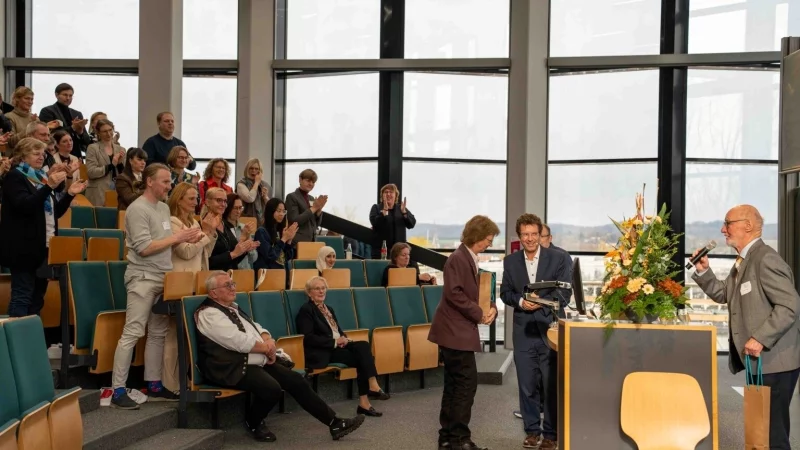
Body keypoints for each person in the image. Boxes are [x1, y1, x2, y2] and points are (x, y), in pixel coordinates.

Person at [195, 271, 366, 442]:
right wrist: (266, 349)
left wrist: (267, 340)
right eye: (228, 285)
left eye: (233, 284)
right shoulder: (208, 313)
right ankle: (254, 421)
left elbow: (255, 327)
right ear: (214, 293)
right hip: (228, 366)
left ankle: (334, 423)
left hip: (254, 359)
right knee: (272, 389)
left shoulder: (232, 307)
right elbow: (237, 341)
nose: (233, 288)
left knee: (297, 381)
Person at [692, 205, 800, 450]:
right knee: (761, 432)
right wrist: (704, 272)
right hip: (758, 360)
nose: (723, 229)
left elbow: (790, 305)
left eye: (727, 223)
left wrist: (760, 338)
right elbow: (724, 294)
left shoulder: (766, 259)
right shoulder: (744, 260)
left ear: (747, 226)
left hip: (776, 361)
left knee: (773, 436)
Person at [110, 163, 204, 409]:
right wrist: (178, 237)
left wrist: (185, 239)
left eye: (169, 181)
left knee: (158, 332)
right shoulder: (137, 209)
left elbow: (164, 242)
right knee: (133, 332)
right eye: (164, 181)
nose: (169, 186)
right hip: (142, 277)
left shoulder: (162, 208)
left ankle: (153, 383)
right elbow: (143, 247)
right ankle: (118, 389)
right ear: (149, 182)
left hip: (164, 277)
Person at [500, 214, 571, 450]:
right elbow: (505, 293)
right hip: (523, 332)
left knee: (551, 385)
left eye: (534, 234)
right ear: (519, 236)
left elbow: (566, 295)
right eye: (525, 235)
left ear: (541, 234)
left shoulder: (559, 258)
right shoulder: (510, 262)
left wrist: (542, 301)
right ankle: (532, 431)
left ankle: (551, 435)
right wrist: (520, 302)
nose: (530, 239)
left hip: (550, 330)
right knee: (527, 385)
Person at [428, 215, 499, 450]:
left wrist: (490, 309)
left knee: (454, 385)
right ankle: (460, 439)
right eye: (487, 240)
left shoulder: (467, 257)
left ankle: (447, 438)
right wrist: (480, 314)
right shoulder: (459, 259)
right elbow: (455, 293)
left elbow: (474, 293)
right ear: (477, 236)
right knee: (466, 385)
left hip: (453, 331)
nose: (489, 244)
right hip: (455, 332)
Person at [0, 138, 86, 317]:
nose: (41, 157)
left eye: (43, 154)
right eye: (35, 153)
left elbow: (53, 214)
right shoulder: (16, 177)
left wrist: (69, 194)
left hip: (44, 247)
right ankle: (15, 342)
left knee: (37, 299)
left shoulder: (39, 178)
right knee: (22, 296)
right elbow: (25, 205)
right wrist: (49, 187)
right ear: (22, 156)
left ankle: (30, 342)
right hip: (23, 247)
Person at [296, 276, 390, 417]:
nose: (321, 291)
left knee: (363, 346)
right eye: (317, 289)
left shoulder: (329, 309)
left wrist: (344, 339)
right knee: (361, 358)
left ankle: (370, 387)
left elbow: (337, 331)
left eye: (323, 288)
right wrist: (335, 342)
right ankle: (366, 398)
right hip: (324, 351)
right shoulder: (306, 310)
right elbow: (308, 338)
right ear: (309, 293)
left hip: (338, 346)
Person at [163, 182, 219, 392]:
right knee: (172, 335)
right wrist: (205, 233)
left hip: (195, 280)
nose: (196, 202)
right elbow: (185, 252)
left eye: (196, 198)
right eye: (191, 198)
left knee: (186, 336)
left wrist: (210, 233)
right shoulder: (173, 222)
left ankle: (183, 381)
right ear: (179, 199)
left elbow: (205, 253)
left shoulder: (194, 223)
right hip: (178, 280)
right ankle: (169, 383)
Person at [207, 187, 260, 272]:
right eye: (218, 200)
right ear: (208, 202)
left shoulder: (226, 225)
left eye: (224, 201)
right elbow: (206, 261)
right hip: (213, 279)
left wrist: (244, 248)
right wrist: (233, 254)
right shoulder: (203, 225)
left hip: (231, 277)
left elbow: (234, 259)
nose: (223, 204)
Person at [38, 83, 91, 159]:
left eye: (70, 95)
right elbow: (51, 135)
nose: (68, 98)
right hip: (54, 155)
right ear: (56, 95)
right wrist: (72, 128)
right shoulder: (47, 111)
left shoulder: (77, 113)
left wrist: (80, 132)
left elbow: (87, 142)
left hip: (75, 155)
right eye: (65, 95)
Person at [254, 198, 298, 288]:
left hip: (282, 274)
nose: (281, 214)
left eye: (283, 211)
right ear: (271, 211)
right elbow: (270, 256)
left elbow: (287, 257)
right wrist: (283, 239)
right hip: (268, 276)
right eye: (278, 211)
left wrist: (289, 241)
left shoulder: (280, 231)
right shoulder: (261, 232)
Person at [85, 119, 126, 206]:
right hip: (98, 192)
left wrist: (119, 164)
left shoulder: (121, 149)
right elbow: (91, 172)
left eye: (110, 130)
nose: (108, 134)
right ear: (98, 133)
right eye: (104, 131)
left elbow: (125, 174)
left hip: (117, 191)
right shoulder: (93, 148)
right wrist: (111, 165)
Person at [369, 183, 416, 259]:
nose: (388, 194)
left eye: (391, 192)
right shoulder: (376, 208)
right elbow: (374, 223)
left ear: (395, 195)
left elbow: (412, 224)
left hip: (399, 253)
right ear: (382, 195)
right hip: (381, 251)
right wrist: (384, 211)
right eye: (386, 192)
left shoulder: (401, 208)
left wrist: (404, 213)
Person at [285, 169, 327, 243]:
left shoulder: (312, 198)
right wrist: (314, 208)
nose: (311, 184)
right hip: (297, 242)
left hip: (312, 241)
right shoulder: (291, 197)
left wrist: (319, 211)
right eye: (308, 180)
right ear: (300, 180)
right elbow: (294, 221)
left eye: (313, 182)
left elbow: (316, 225)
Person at [222, 193, 258, 270]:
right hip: (229, 271)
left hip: (245, 271)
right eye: (235, 208)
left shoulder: (244, 227)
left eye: (240, 208)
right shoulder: (221, 228)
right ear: (227, 208)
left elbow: (253, 258)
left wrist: (249, 242)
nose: (238, 211)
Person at [236, 158, 270, 227]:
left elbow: (270, 206)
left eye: (256, 169)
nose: (253, 171)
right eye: (251, 168)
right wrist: (256, 182)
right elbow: (250, 198)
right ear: (247, 170)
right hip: (245, 220)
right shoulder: (241, 184)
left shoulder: (264, 185)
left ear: (260, 171)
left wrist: (265, 197)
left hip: (261, 221)